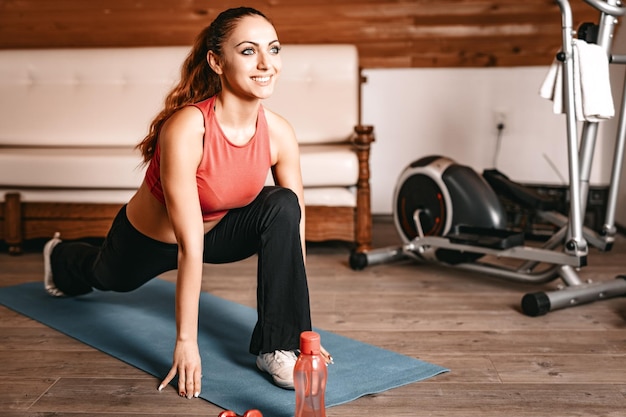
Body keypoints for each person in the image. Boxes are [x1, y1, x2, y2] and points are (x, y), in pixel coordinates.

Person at [42, 6, 331, 398]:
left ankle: (272, 347)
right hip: (151, 239)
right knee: (106, 277)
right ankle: (60, 254)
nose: (266, 63)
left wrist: (299, 330)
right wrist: (185, 342)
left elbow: (292, 233)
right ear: (216, 61)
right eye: (248, 51)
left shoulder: (279, 132)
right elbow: (189, 246)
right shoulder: (187, 128)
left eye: (274, 49)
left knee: (282, 204)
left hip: (218, 230)